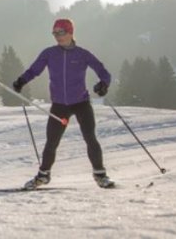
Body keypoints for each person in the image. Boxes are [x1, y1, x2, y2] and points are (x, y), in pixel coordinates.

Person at [12, 18, 115, 189]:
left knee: (90, 138)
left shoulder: (82, 54)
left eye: (61, 32)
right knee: (51, 142)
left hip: (81, 103)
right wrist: (22, 80)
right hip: (59, 105)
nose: (57, 37)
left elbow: (103, 71)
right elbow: (34, 70)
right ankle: (43, 176)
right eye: (55, 33)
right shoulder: (50, 53)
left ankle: (100, 175)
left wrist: (104, 84)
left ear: (70, 32)